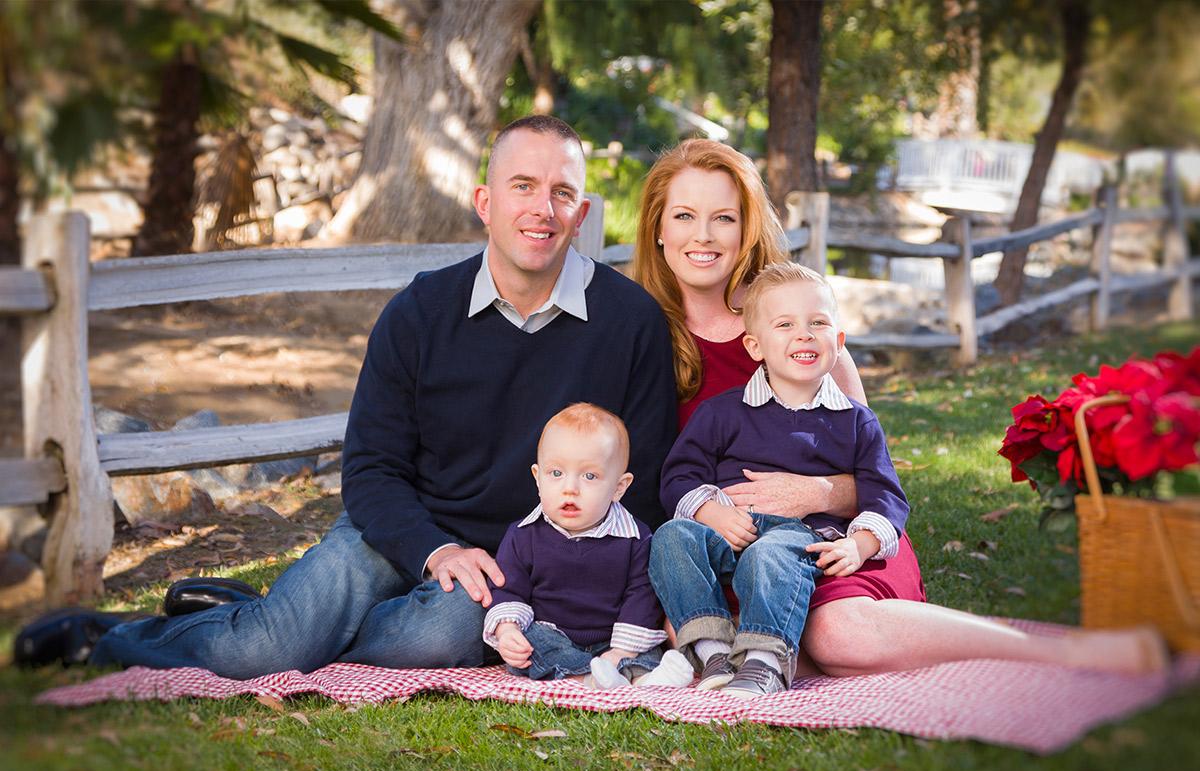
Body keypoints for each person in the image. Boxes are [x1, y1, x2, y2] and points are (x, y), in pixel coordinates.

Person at [16, 115, 678, 679]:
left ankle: (276, 621)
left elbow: (638, 485)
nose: (543, 209)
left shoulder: (629, 322)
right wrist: (432, 548)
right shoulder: (419, 312)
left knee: (438, 639)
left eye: (563, 192)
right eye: (523, 187)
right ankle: (107, 635)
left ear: (582, 212)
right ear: (484, 201)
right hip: (398, 528)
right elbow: (370, 468)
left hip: (515, 564)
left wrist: (574, 581)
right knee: (269, 647)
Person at [633, 138, 1168, 679]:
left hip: (829, 535)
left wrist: (815, 493)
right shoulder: (638, 334)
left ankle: (1059, 655)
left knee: (838, 636)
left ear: (746, 228)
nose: (702, 235)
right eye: (684, 215)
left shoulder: (795, 327)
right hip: (725, 542)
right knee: (690, 626)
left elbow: (867, 466)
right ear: (658, 227)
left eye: (723, 217)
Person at [653, 263, 910, 697]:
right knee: (672, 536)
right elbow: (679, 474)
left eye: (818, 323)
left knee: (770, 552)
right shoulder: (722, 412)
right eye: (785, 324)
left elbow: (884, 494)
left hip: (801, 541)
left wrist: (859, 543)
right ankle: (712, 651)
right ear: (754, 345)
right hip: (730, 533)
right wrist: (713, 513)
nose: (804, 334)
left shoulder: (854, 421)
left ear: (839, 341)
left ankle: (764, 662)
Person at [484, 403, 692, 689]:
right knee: (534, 643)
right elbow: (509, 589)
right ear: (537, 478)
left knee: (646, 645)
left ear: (619, 487)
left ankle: (645, 677)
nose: (570, 488)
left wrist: (620, 650)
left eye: (589, 476)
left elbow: (641, 596)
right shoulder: (523, 535)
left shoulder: (635, 539)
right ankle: (588, 678)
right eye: (556, 473)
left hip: (613, 636)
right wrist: (507, 630)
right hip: (555, 633)